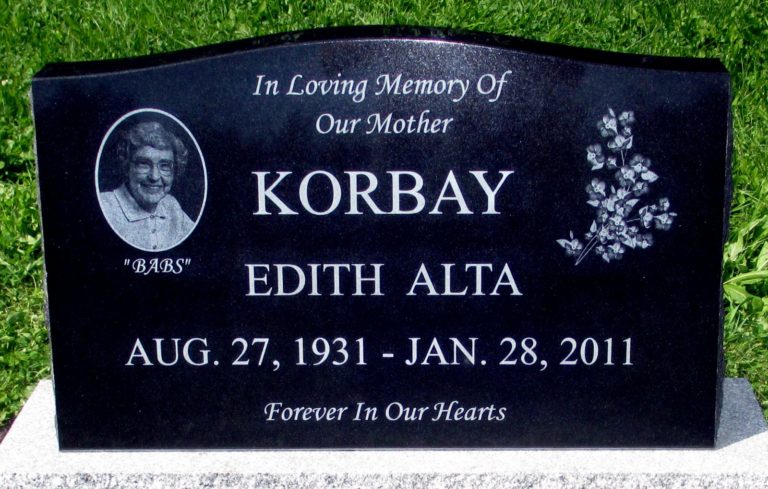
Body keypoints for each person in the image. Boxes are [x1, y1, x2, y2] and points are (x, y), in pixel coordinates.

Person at [99, 121, 194, 251]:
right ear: (127, 167)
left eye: (165, 166)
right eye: (143, 164)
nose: (154, 176)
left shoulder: (171, 206)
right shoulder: (105, 206)